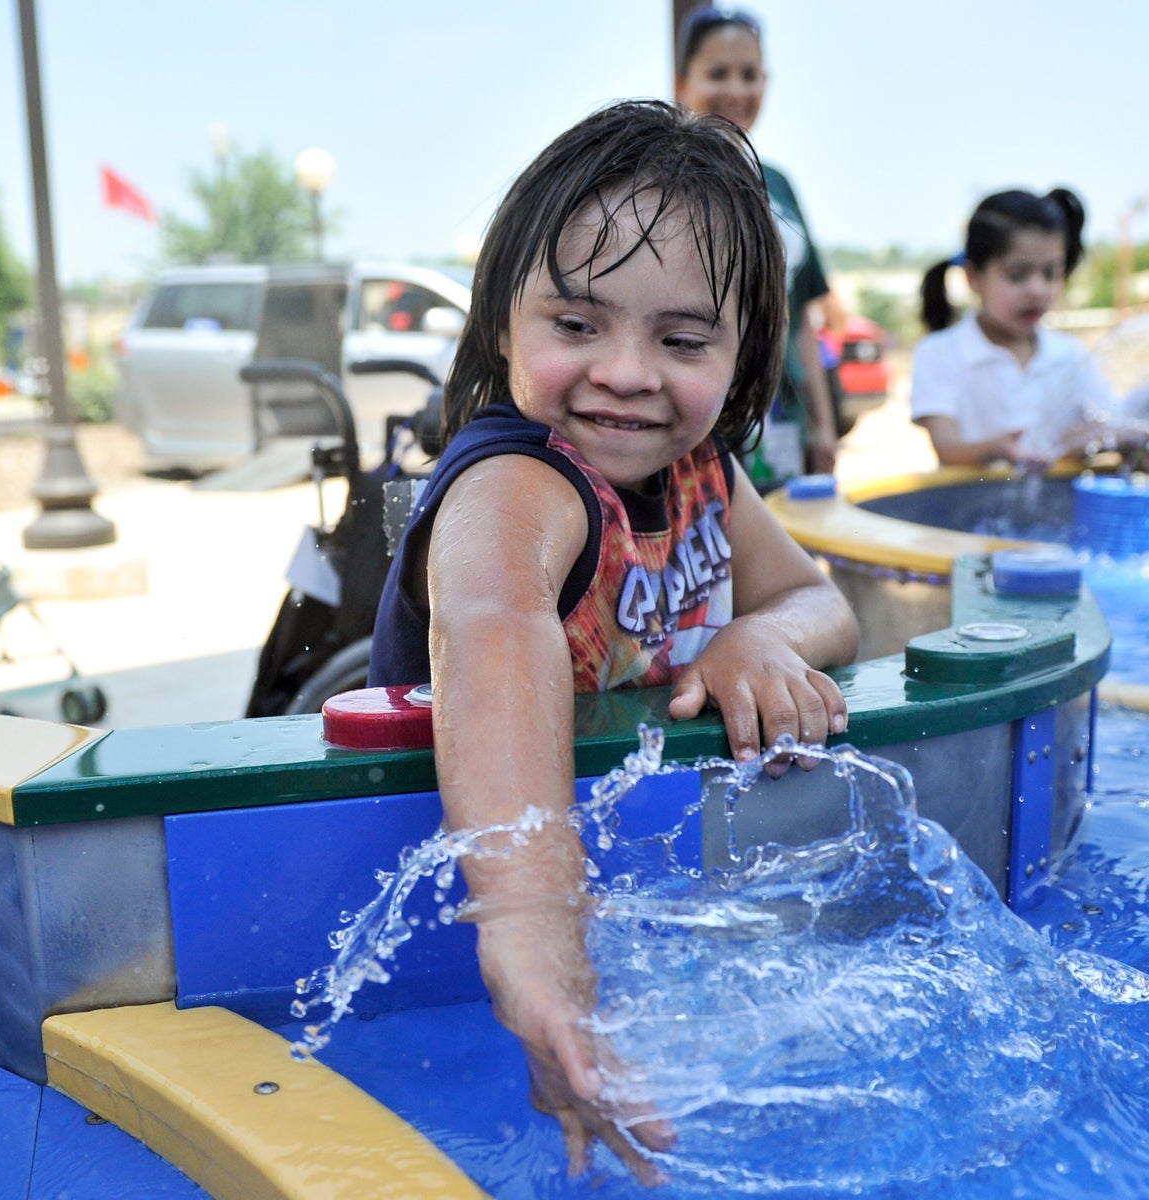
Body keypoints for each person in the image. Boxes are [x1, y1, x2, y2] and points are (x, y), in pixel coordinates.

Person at [367, 100, 859, 1182]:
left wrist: (754, 641)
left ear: (743, 357)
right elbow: (496, 629)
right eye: (576, 326)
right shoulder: (518, 482)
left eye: (680, 340)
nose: (627, 372)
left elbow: (821, 603)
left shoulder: (706, 476)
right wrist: (532, 928)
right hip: (456, 909)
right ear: (503, 325)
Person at [673, 5, 840, 486]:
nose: (737, 90)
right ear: (682, 82)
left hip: (782, 417)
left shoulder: (780, 185)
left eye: (750, 74)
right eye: (718, 73)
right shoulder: (665, 184)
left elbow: (802, 316)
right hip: (702, 419)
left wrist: (824, 427)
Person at [910, 188, 1114, 468]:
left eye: (1051, 273)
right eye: (1017, 275)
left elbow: (1109, 423)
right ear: (973, 277)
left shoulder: (1070, 355)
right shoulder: (940, 352)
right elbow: (947, 446)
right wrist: (996, 449)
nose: (1037, 289)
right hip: (967, 506)